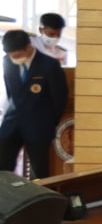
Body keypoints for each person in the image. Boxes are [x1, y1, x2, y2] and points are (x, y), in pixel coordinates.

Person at [2, 29, 68, 180]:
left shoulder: (49, 65)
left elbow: (59, 98)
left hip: (39, 125)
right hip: (12, 123)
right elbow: (11, 92)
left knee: (39, 170)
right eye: (11, 56)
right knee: (3, 165)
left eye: (17, 55)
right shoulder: (7, 61)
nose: (14, 59)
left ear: (28, 47)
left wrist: (48, 122)